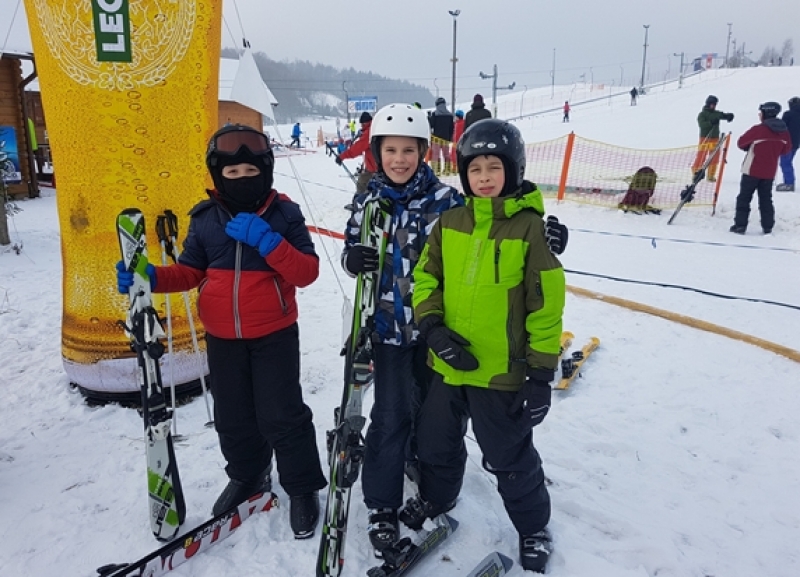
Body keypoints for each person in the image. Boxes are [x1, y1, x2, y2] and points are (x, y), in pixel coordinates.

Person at [115, 124, 328, 538]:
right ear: (218, 176)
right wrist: (151, 276)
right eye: (232, 173)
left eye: (251, 171)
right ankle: (249, 475)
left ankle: (302, 486)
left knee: (282, 414)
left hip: (274, 335)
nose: (242, 179)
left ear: (266, 171)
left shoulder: (285, 215)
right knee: (232, 417)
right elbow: (190, 272)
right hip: (222, 338)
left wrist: (270, 242)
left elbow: (307, 272)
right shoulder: (206, 219)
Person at [400, 118, 566, 574]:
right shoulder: (450, 222)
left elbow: (546, 307)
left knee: (508, 457)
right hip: (448, 364)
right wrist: (432, 328)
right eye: (475, 169)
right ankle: (437, 497)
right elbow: (425, 277)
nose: (485, 177)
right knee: (435, 444)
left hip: (500, 373)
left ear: (514, 170)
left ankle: (533, 526)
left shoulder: (531, 231)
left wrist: (540, 374)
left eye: (495, 167)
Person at [340, 103, 464, 555]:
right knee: (390, 418)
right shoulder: (368, 202)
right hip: (388, 332)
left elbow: (487, 234)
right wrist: (352, 258)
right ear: (377, 153)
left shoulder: (447, 202)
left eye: (408, 151)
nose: (399, 160)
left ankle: (434, 485)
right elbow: (352, 245)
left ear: (423, 152)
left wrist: (539, 229)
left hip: (435, 330)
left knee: (436, 418)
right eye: (390, 150)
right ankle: (382, 505)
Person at [730, 102, 792, 234]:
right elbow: (786, 150)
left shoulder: (758, 129)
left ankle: (740, 225)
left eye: (761, 112)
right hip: (769, 172)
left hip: (751, 170)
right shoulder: (784, 133)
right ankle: (768, 226)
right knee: (766, 199)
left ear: (766, 113)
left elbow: (741, 143)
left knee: (744, 198)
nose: (759, 115)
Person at [691, 95, 734, 182]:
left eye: (715, 104)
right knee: (701, 156)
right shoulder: (702, 114)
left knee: (715, 156)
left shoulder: (716, 113)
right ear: (708, 104)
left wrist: (728, 116)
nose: (714, 106)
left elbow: (722, 115)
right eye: (712, 104)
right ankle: (696, 173)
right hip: (705, 138)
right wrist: (710, 123)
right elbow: (702, 125)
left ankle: (711, 175)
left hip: (715, 138)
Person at [337, 111, 377, 197]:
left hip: (374, 168)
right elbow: (365, 149)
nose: (361, 126)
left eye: (362, 124)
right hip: (375, 166)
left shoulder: (368, 133)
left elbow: (357, 149)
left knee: (361, 183)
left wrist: (342, 156)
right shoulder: (374, 128)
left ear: (365, 123)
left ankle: (360, 201)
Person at [776, 96, 800, 191]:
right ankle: (789, 182)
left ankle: (789, 183)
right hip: (796, 143)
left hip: (787, 142)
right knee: (787, 162)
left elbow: (782, 127)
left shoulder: (788, 114)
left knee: (785, 162)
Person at [428, 97, 455, 175]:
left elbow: (431, 125)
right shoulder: (450, 115)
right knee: (446, 154)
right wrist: (450, 137)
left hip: (436, 138)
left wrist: (429, 117)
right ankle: (447, 170)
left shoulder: (435, 114)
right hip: (446, 138)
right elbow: (451, 127)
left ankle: (436, 170)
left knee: (435, 155)